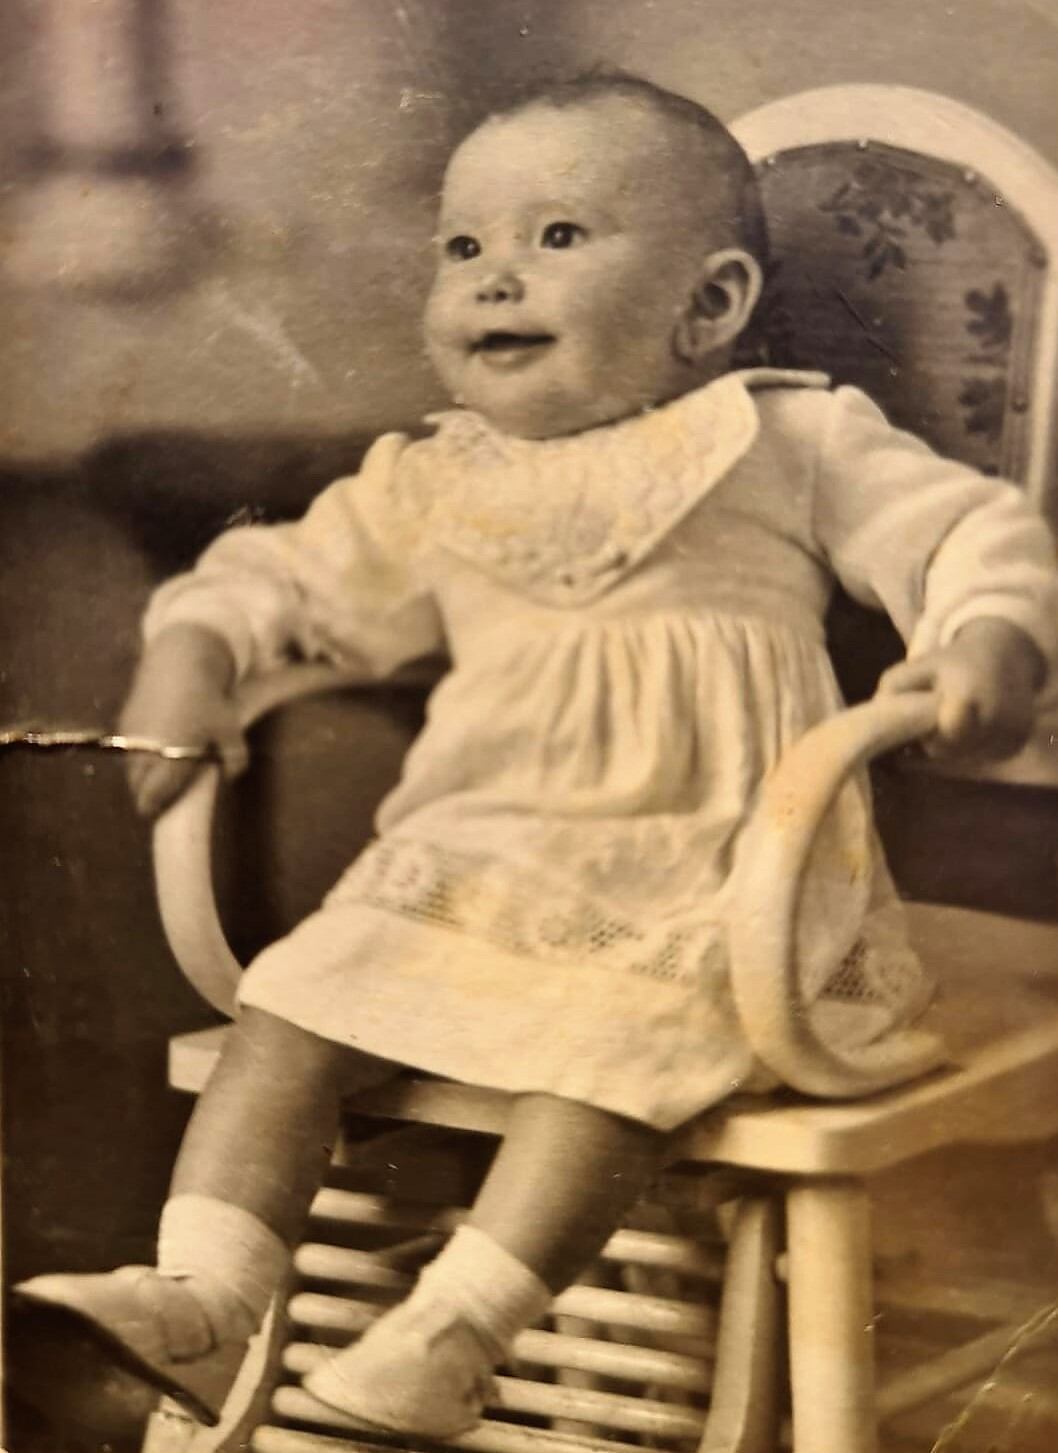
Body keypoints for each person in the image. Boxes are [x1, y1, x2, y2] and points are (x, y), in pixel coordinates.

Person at [16, 73, 1058, 1438]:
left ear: (711, 304)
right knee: (289, 1005)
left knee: (607, 1053)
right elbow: (288, 576)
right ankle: (204, 1302)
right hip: (479, 868)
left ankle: (458, 1330)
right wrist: (196, 646)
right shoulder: (438, 477)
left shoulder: (783, 436)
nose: (496, 275)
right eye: (464, 248)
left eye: (557, 237)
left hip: (718, 876)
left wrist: (984, 641)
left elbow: (964, 532)